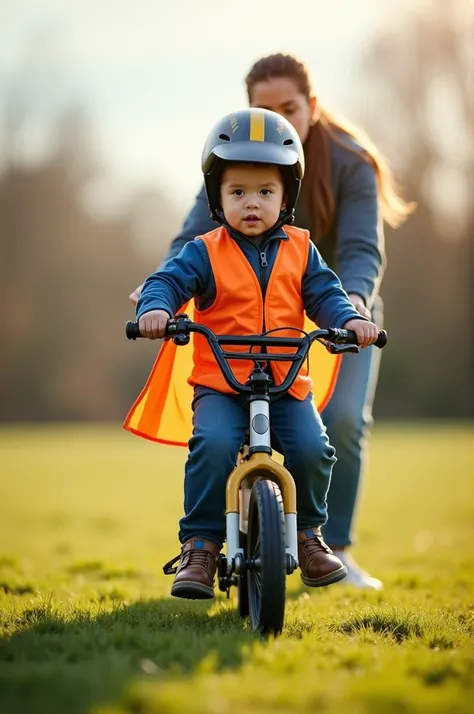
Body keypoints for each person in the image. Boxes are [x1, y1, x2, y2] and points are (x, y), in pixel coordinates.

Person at [130, 54, 413, 590]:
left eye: (289, 107)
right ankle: (201, 546)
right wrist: (155, 296)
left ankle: (322, 542)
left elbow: (357, 253)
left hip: (333, 312)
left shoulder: (350, 165)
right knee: (213, 443)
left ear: (312, 107)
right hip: (231, 351)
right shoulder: (231, 168)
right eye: (264, 108)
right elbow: (184, 251)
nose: (250, 200)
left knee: (334, 429)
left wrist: (349, 313)